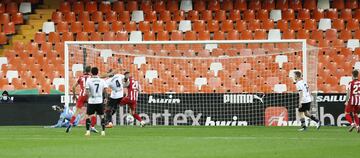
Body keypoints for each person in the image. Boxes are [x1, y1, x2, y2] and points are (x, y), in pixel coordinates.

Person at [66, 66, 98, 133]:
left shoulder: (80, 78)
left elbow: (74, 87)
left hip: (81, 96)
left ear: (84, 71)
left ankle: (70, 124)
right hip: (89, 96)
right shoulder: (92, 78)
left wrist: (74, 96)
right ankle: (92, 127)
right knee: (93, 112)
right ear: (90, 71)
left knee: (76, 112)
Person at [84, 67, 108, 136]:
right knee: (102, 116)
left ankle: (88, 131)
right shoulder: (102, 80)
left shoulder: (88, 80)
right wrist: (106, 98)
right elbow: (105, 90)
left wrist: (89, 97)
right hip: (99, 100)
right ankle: (103, 131)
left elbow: (87, 91)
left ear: (91, 72)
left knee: (88, 116)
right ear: (98, 72)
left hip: (91, 101)